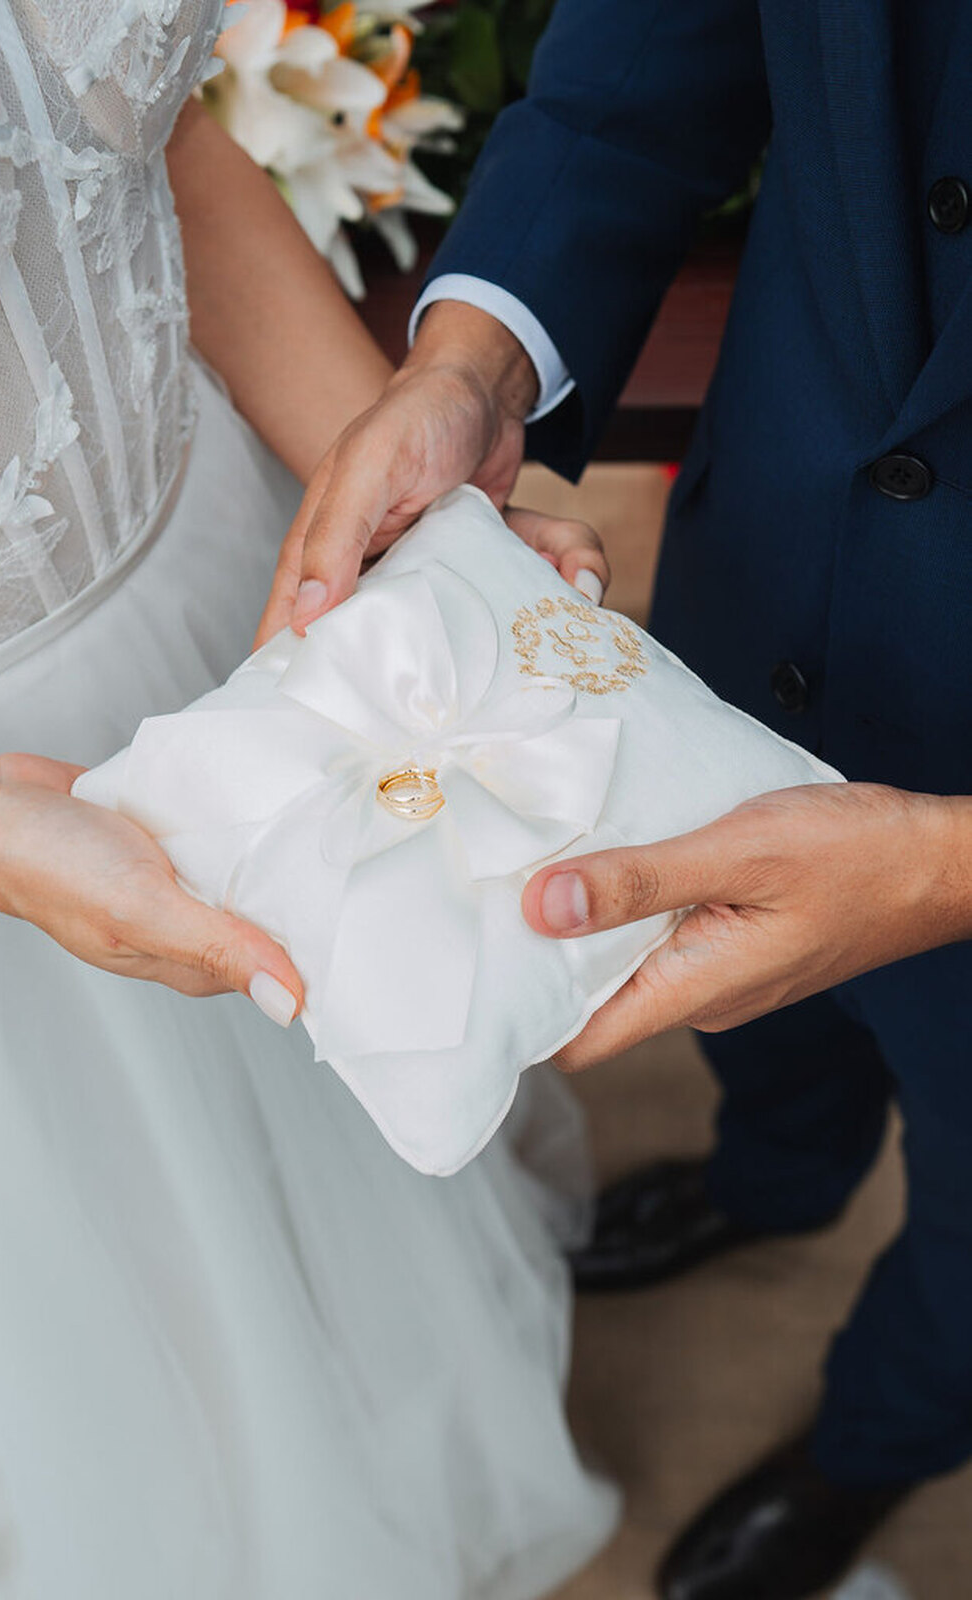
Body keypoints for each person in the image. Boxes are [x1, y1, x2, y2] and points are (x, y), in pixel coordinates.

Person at [258, 2, 972, 1597]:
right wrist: (470, 362)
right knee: (746, 1012)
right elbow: (664, 44)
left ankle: (877, 1438)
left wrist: (952, 861)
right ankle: (770, 1179)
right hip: (768, 575)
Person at [0, 3, 621, 1593]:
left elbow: (137, 145)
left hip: (224, 585)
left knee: (329, 1163)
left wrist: (399, 521)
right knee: (80, 1330)